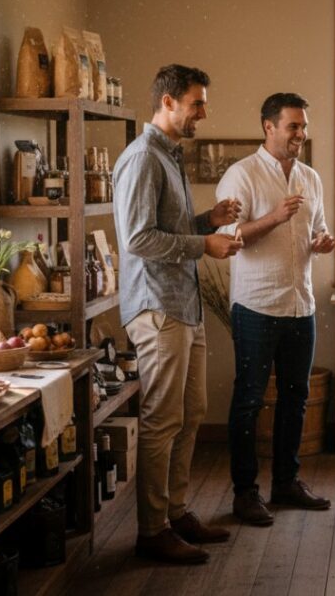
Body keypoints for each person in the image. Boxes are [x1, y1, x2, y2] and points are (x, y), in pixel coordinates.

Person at [113, 64, 242, 564]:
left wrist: (205, 220)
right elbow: (138, 239)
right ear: (167, 102)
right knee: (162, 420)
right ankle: (152, 530)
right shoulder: (143, 158)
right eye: (197, 103)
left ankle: (177, 511)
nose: (204, 112)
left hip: (182, 306)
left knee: (190, 415)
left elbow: (166, 227)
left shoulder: (168, 156)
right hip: (157, 307)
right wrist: (204, 242)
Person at [216, 93, 335, 526]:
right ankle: (244, 493)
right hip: (256, 305)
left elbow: (319, 231)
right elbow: (228, 239)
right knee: (249, 400)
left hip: (299, 304)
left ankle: (286, 483)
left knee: (295, 398)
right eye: (293, 127)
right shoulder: (240, 175)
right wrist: (274, 218)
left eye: (303, 127)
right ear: (269, 127)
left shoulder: (311, 178)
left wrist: (323, 242)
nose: (301, 135)